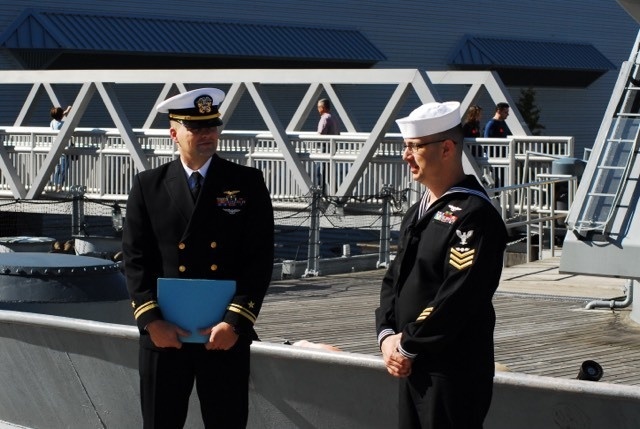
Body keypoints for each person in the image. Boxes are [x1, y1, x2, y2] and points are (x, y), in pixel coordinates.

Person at [122, 88, 274, 429]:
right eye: (196, 128)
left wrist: (235, 322)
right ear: (174, 133)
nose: (207, 135)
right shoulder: (149, 185)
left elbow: (259, 258)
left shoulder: (246, 182)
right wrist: (151, 321)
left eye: (212, 126)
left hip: (221, 335)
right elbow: (135, 259)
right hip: (165, 337)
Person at [375, 101, 507, 428]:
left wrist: (408, 344)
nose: (406, 156)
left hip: (450, 370)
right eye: (405, 146)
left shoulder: (474, 215)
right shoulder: (420, 210)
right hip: (412, 363)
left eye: (415, 147)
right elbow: (396, 278)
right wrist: (387, 333)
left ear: (447, 148)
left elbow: (459, 293)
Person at [50, 105, 72, 192]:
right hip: (63, 147)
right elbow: (70, 125)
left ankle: (56, 185)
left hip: (55, 147)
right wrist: (67, 113)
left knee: (58, 168)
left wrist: (66, 111)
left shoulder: (52, 122)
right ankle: (60, 185)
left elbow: (59, 116)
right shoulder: (63, 124)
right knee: (64, 168)